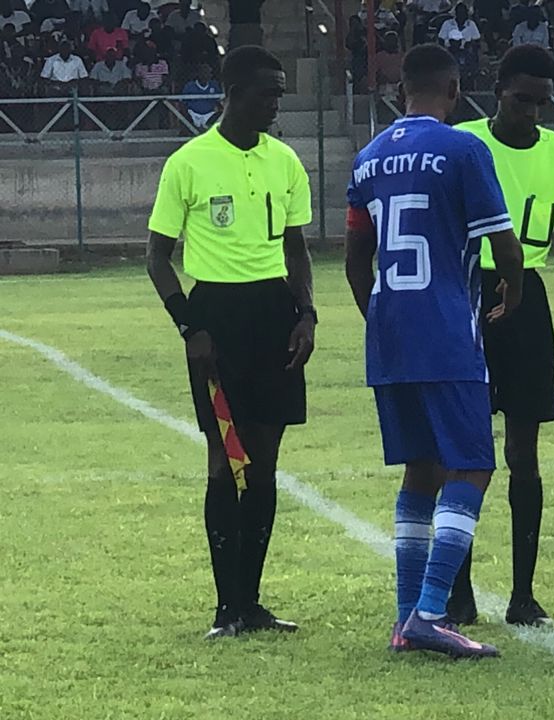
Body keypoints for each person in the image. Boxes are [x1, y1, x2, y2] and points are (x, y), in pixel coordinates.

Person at [344, 43, 522, 659]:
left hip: (390, 334)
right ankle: (429, 610)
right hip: (447, 331)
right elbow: (504, 244)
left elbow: (355, 260)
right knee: (472, 465)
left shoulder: (367, 158)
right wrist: (513, 289)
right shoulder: (464, 148)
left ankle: (405, 618)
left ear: (401, 93)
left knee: (420, 469)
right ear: (454, 92)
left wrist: (381, 318)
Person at [146, 45, 314, 640]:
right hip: (215, 318)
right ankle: (226, 609)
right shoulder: (188, 163)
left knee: (264, 461)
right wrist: (189, 325)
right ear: (234, 94)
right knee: (224, 458)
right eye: (268, 93)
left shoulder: (285, 161)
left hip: (274, 315)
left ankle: (252, 602)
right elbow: (157, 258)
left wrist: (306, 315)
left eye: (280, 94)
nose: (276, 105)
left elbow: (296, 247)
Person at [444, 46, 554, 627]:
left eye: (541, 102)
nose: (531, 112)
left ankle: (523, 594)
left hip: (527, 301)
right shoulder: (464, 144)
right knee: (464, 452)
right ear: (497, 90)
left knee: (524, 454)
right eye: (521, 100)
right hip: (469, 293)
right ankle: (458, 592)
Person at [181, 61, 221, 129]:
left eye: (209, 73)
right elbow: (183, 103)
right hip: (193, 114)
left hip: (210, 115)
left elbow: (219, 101)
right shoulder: (189, 86)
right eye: (204, 72)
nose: (207, 75)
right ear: (198, 74)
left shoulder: (214, 85)